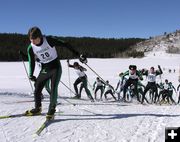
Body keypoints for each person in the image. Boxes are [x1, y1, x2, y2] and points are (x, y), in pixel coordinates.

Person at [24, 26, 86, 119]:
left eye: (34, 39)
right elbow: (31, 61)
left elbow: (65, 44)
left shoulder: (49, 40)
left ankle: (51, 109)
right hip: (45, 68)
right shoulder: (31, 47)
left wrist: (78, 55)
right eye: (30, 39)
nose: (32, 42)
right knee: (37, 86)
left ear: (40, 37)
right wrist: (31, 74)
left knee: (53, 88)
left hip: (55, 67)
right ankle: (37, 108)